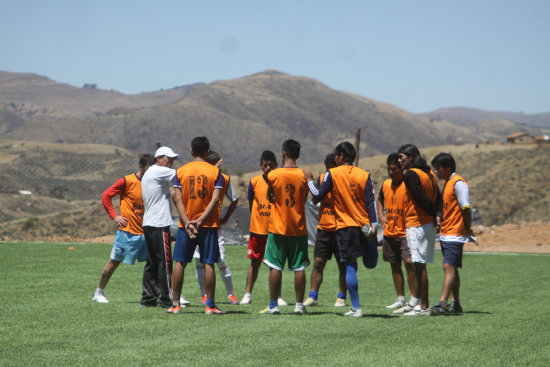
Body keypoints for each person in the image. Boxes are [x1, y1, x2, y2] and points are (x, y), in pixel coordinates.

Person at [306, 142, 378, 318]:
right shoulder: (364, 174)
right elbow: (370, 201)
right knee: (359, 264)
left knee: (350, 266)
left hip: (345, 226)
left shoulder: (333, 173)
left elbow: (317, 196)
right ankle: (347, 302)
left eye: (336, 156)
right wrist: (374, 224)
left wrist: (309, 181)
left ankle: (356, 307)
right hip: (364, 227)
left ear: (340, 156)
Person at [170, 136, 225, 315]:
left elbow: (177, 198)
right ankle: (210, 305)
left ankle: (176, 304)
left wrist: (187, 223)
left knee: (180, 262)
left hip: (185, 226)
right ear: (208, 152)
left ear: (191, 151)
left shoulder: (180, 171)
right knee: (209, 263)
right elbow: (216, 199)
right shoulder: (215, 172)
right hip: (208, 225)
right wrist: (200, 221)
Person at [93, 154, 156, 303]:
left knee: (158, 263)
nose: (152, 172)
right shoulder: (127, 181)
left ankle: (169, 293)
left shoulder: (153, 182)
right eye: (149, 168)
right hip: (127, 233)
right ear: (141, 166)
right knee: (114, 262)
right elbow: (106, 196)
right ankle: (98, 292)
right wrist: (114, 216)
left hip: (147, 232)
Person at [260, 139, 309, 315]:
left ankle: (273, 305)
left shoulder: (274, 175)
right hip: (298, 227)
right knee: (299, 267)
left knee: (275, 267)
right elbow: (304, 197)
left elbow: (268, 186)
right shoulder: (304, 174)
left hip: (278, 227)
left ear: (282, 154)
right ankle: (299, 306)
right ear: (298, 154)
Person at [396, 144, 441, 316]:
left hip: (417, 224)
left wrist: (432, 213)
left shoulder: (412, 175)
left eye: (402, 157)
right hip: (427, 224)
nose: (400, 161)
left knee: (419, 267)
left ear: (412, 156)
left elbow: (421, 199)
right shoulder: (429, 173)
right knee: (419, 265)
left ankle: (423, 307)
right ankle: (419, 305)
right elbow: (439, 197)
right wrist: (437, 215)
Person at [192, 150, 239, 305]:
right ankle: (204, 295)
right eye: (219, 164)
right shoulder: (200, 177)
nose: (221, 167)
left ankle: (231, 295)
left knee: (220, 260)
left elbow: (235, 199)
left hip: (214, 226)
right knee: (199, 261)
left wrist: (225, 218)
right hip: (199, 225)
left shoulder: (224, 179)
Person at [240, 150, 287, 307]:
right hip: (258, 229)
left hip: (275, 229)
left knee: (275, 265)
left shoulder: (280, 181)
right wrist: (257, 218)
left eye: (270, 165)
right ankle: (247, 294)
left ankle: (278, 296)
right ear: (261, 166)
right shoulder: (254, 181)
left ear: (276, 165)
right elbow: (251, 203)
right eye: (265, 165)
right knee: (255, 263)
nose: (268, 167)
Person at [303, 153, 348, 308]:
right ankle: (312, 297)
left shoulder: (344, 179)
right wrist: (315, 185)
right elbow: (316, 198)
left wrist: (309, 180)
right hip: (324, 227)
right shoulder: (323, 178)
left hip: (341, 227)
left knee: (343, 264)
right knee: (318, 263)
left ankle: (341, 297)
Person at [140, 146, 183, 308]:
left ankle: (148, 298)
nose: (171, 161)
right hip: (159, 223)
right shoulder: (159, 171)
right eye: (168, 158)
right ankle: (167, 298)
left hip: (149, 223)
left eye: (172, 159)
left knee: (152, 262)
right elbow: (183, 175)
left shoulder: (151, 172)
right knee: (165, 262)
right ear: (159, 158)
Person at [376, 153, 419, 311]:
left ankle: (414, 298)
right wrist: (381, 217)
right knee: (394, 265)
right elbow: (379, 199)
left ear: (402, 169)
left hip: (405, 231)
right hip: (390, 232)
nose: (391, 172)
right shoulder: (386, 184)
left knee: (409, 264)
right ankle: (400, 298)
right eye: (389, 169)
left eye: (394, 169)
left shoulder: (408, 183)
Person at [431, 152, 472, 314]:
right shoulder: (447, 182)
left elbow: (466, 208)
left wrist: (467, 229)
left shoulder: (458, 183)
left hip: (455, 233)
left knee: (448, 266)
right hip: (447, 232)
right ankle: (455, 304)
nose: (436, 172)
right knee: (452, 267)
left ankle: (442, 303)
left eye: (438, 169)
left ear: (448, 168)